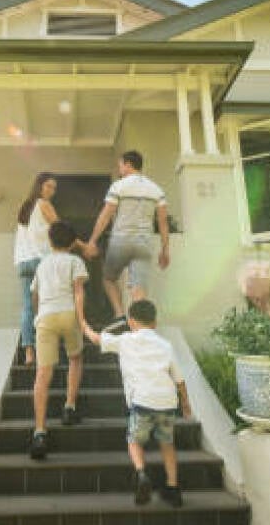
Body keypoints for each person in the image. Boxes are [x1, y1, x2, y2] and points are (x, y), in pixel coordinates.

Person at [81, 299, 192, 508]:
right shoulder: (165, 345)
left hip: (142, 401)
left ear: (131, 322)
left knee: (134, 440)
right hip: (167, 402)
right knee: (167, 443)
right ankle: (173, 488)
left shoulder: (125, 340)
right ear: (155, 323)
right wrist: (185, 404)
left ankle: (141, 474)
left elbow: (96, 338)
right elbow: (180, 379)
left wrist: (84, 325)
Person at [15, 173, 96, 365]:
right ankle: (54, 344)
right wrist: (84, 246)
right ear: (39, 186)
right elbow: (61, 229)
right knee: (54, 301)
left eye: (54, 188)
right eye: (48, 186)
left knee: (28, 306)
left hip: (22, 262)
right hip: (41, 261)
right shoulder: (43, 204)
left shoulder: (24, 208)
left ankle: (28, 352)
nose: (52, 191)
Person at [28, 220, 90, 460]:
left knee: (42, 374)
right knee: (75, 358)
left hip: (45, 316)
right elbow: (78, 291)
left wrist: (37, 317)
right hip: (68, 314)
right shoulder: (75, 261)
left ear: (50, 241)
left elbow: (34, 295)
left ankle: (40, 431)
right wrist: (82, 320)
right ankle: (69, 407)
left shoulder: (42, 264)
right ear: (72, 243)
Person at [86, 150, 170, 327]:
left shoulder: (119, 186)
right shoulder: (156, 189)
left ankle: (119, 314)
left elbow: (106, 215)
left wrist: (93, 240)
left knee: (108, 278)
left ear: (128, 165)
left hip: (121, 240)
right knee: (138, 289)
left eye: (121, 165)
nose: (120, 169)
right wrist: (165, 249)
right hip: (144, 243)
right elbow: (162, 221)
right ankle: (139, 328)